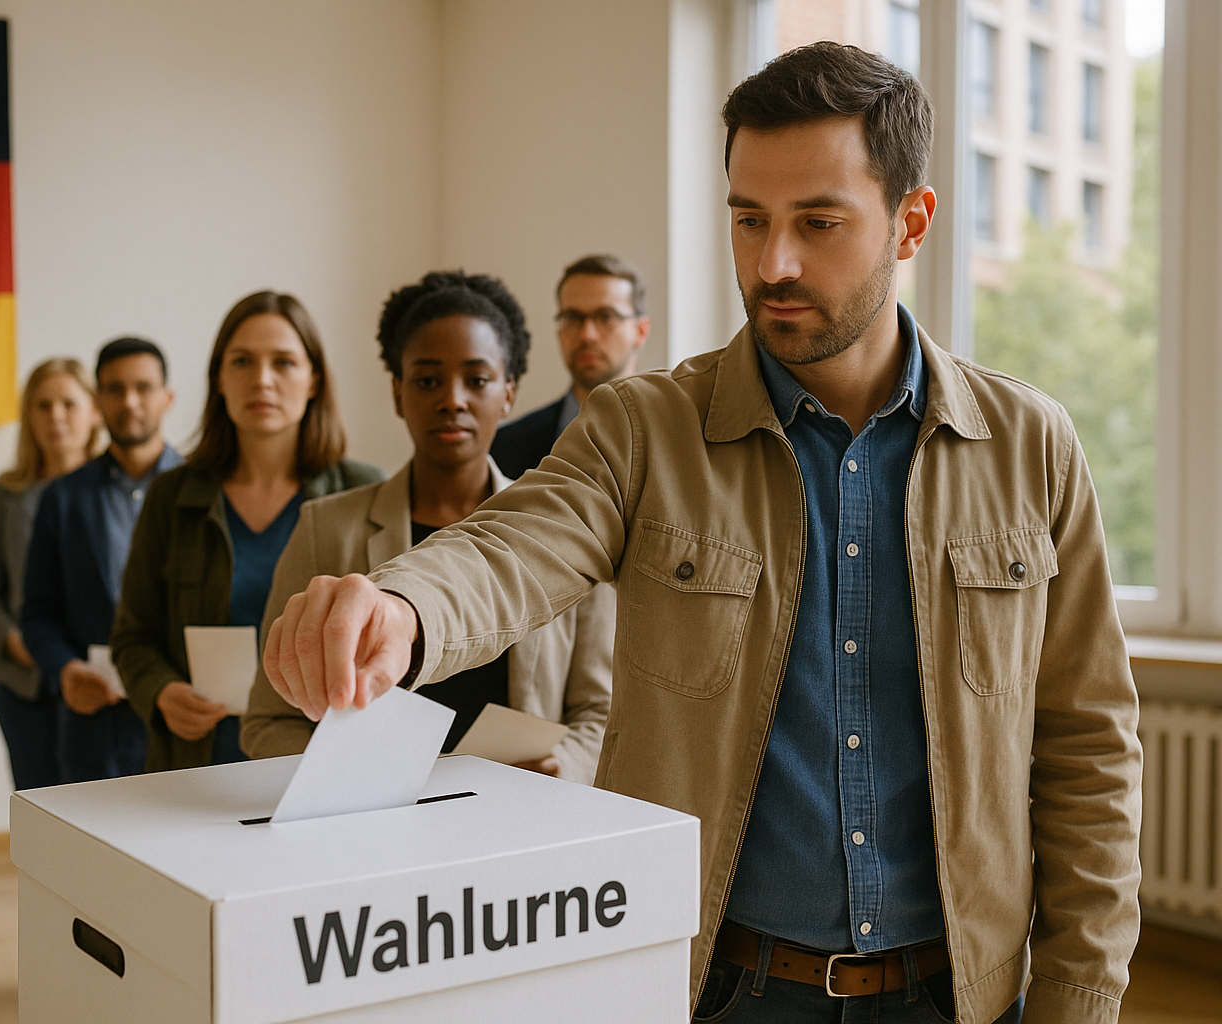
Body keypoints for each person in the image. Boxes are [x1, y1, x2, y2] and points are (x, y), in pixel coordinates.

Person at [261, 42, 1141, 1024]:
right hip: (719, 989)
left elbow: (1089, 752)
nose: (773, 264)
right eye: (748, 219)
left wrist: (1076, 999)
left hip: (956, 997)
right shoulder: (644, 431)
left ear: (912, 222)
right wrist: (399, 605)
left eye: (818, 222)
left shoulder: (1031, 447)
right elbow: (512, 547)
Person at [241, 272, 613, 781]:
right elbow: (267, 722)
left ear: (508, 393)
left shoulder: (558, 532)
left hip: (517, 819)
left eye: (477, 380)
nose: (453, 399)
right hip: (372, 826)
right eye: (428, 380)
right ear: (397, 393)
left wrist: (560, 767)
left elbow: (600, 712)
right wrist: (344, 773)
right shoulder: (325, 529)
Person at [110, 291, 381, 773]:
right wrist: (162, 692)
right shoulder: (170, 497)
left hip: (319, 763)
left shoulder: (365, 492)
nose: (262, 380)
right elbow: (133, 637)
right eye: (242, 362)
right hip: (196, 763)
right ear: (218, 378)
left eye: (284, 362)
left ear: (314, 378)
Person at [21, 337, 183, 783]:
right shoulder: (63, 497)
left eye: (143, 387)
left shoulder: (203, 491)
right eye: (114, 389)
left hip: (184, 722)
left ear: (167, 398)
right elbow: (36, 612)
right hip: (95, 727)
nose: (129, 401)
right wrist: (65, 670)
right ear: (98, 402)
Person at [0, 358, 102, 790]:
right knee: (40, 816)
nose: (56, 416)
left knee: (103, 818)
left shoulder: (116, 494)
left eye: (69, 403)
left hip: (102, 684)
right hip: (27, 685)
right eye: (43, 405)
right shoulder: (6, 495)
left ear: (94, 410)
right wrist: (14, 640)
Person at [489, 253, 650, 479]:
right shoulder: (506, 447)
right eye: (573, 318)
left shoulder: (674, 438)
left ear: (641, 331)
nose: (587, 335)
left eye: (606, 317)